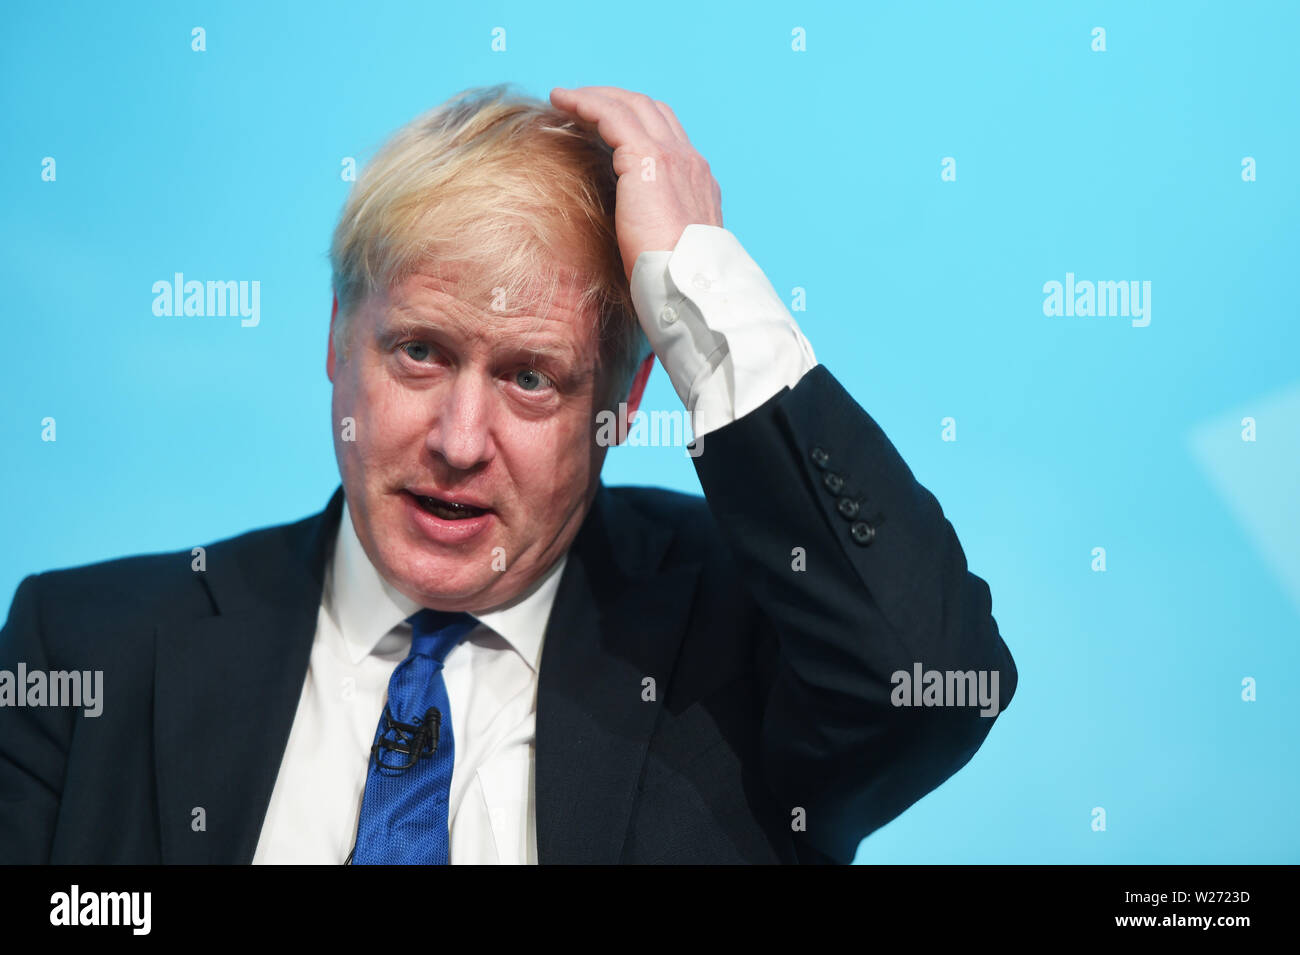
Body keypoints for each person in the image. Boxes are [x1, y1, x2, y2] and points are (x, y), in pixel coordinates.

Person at [0, 83, 1017, 865]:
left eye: (531, 378)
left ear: (620, 408)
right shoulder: (85, 648)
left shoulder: (745, 644)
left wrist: (698, 279)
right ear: (335, 340)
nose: (457, 438)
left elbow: (923, 682)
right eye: (420, 353)